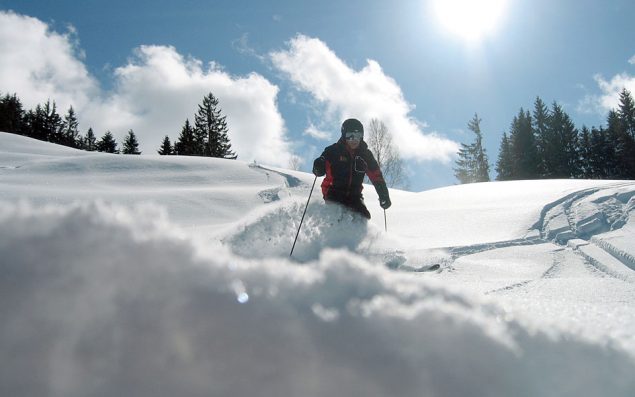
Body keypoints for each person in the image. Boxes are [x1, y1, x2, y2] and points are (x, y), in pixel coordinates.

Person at [312, 118, 391, 219]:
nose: (354, 139)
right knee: (338, 215)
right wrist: (318, 167)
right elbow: (320, 167)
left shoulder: (365, 155)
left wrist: (383, 194)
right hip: (333, 191)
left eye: (357, 136)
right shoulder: (333, 151)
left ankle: (358, 234)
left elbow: (376, 176)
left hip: (355, 195)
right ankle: (332, 231)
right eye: (350, 136)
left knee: (363, 216)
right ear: (344, 135)